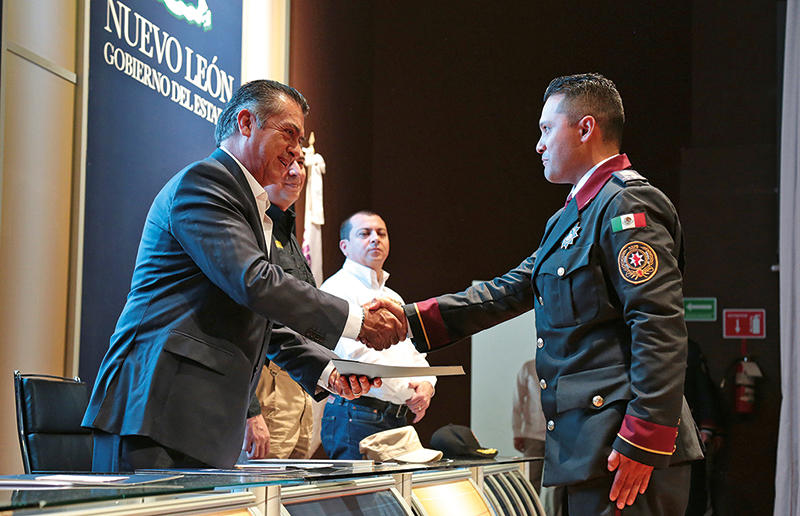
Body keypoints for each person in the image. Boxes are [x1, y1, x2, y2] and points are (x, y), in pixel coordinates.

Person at [375, 73, 703, 514]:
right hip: (588, 447)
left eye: (547, 128)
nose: (539, 144)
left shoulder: (627, 206)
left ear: (586, 129)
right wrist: (404, 319)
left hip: (624, 448)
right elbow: (507, 291)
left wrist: (644, 439)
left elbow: (658, 323)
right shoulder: (569, 219)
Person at [82, 79, 406, 472]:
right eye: (289, 133)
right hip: (155, 409)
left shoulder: (252, 208)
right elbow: (254, 283)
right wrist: (357, 321)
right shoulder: (204, 183)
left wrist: (328, 370)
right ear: (247, 122)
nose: (297, 150)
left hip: (200, 420)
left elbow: (259, 314)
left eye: (300, 139)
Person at [318, 211, 436, 459]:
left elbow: (414, 353)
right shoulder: (336, 289)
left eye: (381, 233)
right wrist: (408, 392)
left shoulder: (394, 296)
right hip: (356, 414)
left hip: (395, 415)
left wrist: (427, 385)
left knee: (396, 496)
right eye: (364, 233)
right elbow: (355, 359)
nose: (375, 239)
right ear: (344, 246)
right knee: (361, 497)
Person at [243, 154, 320, 460]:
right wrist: (250, 410)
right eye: (285, 161)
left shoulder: (288, 235)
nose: (295, 171)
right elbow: (244, 323)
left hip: (298, 390)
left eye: (300, 162)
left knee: (289, 501)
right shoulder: (252, 230)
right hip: (266, 387)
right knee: (258, 500)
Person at [512, 358, 546, 491]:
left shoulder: (562, 365)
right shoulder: (528, 367)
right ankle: (529, 511)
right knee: (530, 480)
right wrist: (517, 432)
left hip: (557, 436)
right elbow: (517, 402)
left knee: (557, 485)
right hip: (533, 434)